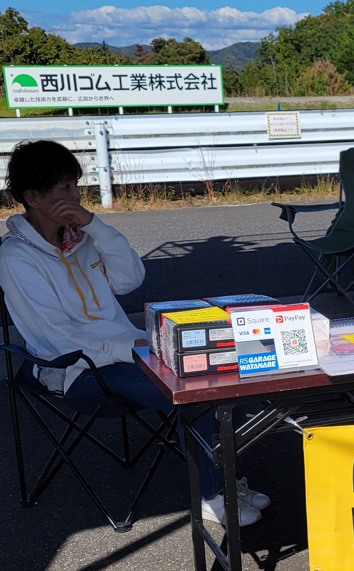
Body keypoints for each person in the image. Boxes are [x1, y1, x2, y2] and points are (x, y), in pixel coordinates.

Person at [0, 139, 268, 526]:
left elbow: (130, 280)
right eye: (65, 188)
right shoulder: (15, 256)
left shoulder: (80, 237)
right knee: (194, 393)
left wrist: (96, 226)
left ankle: (225, 481)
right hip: (70, 369)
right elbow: (57, 339)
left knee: (224, 373)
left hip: (124, 352)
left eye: (76, 185)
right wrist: (134, 345)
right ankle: (211, 496)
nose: (76, 196)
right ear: (33, 196)